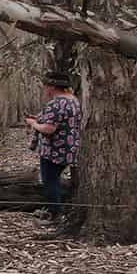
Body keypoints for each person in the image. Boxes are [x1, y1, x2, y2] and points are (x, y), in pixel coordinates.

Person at [23, 73, 83, 218]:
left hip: (55, 150)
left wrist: (34, 124)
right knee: (54, 180)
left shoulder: (56, 103)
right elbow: (61, 121)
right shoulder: (73, 100)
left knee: (50, 181)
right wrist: (39, 118)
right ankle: (54, 208)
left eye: (46, 86)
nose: (45, 89)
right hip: (70, 148)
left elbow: (49, 129)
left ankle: (54, 213)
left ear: (52, 87)